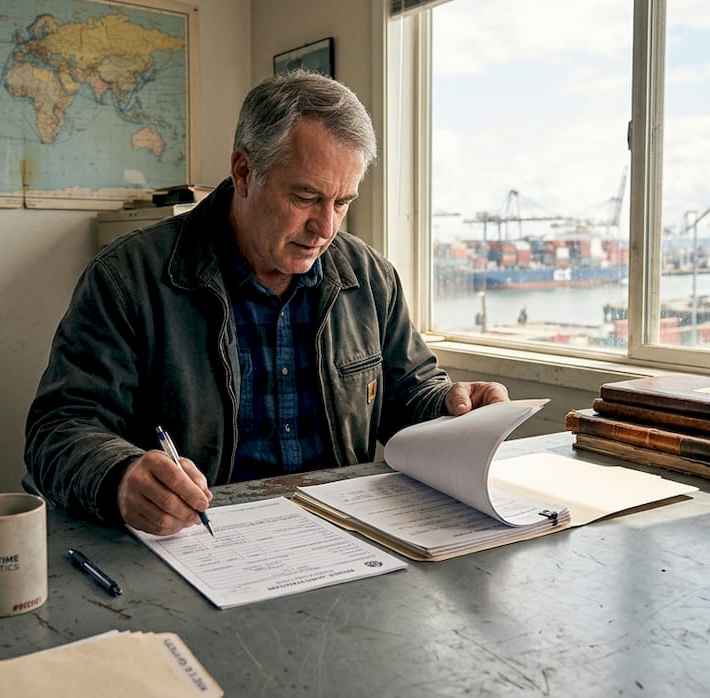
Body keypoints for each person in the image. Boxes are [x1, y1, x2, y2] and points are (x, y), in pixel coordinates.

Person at [25, 70, 509, 535]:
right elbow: (60, 428)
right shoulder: (127, 278)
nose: (326, 227)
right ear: (243, 171)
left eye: (342, 202)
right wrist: (121, 476)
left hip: (341, 537)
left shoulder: (370, 278)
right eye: (306, 197)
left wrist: (452, 407)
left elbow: (408, 394)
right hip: (197, 542)